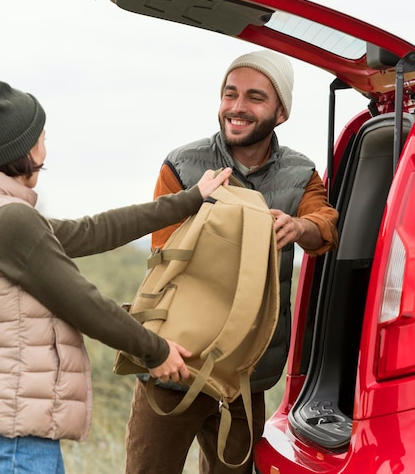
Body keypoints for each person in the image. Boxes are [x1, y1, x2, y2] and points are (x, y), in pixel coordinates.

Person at [0, 75, 232, 474]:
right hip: (10, 439)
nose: (46, 146)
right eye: (41, 136)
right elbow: (82, 302)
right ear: (21, 149)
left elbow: (92, 231)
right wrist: (155, 349)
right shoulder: (8, 221)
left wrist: (187, 201)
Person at [124, 50, 339, 474]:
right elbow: (163, 256)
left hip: (245, 374)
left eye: (255, 97)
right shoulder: (182, 165)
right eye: (230, 94)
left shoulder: (301, 173)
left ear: (281, 112)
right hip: (176, 364)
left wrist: (297, 227)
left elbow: (325, 225)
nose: (237, 107)